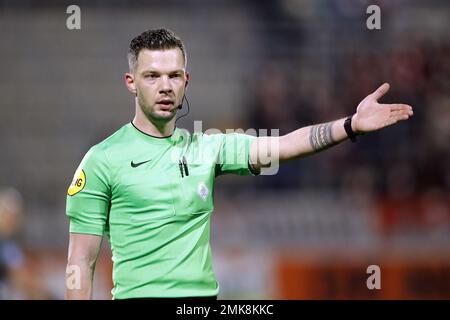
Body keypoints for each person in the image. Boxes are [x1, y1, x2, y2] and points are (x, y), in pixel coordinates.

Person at [65, 28, 413, 300]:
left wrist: (351, 124)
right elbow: (81, 260)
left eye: (174, 75)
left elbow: (284, 145)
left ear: (186, 81)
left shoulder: (208, 149)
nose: (165, 86)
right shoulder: (102, 160)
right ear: (131, 83)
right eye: (152, 76)